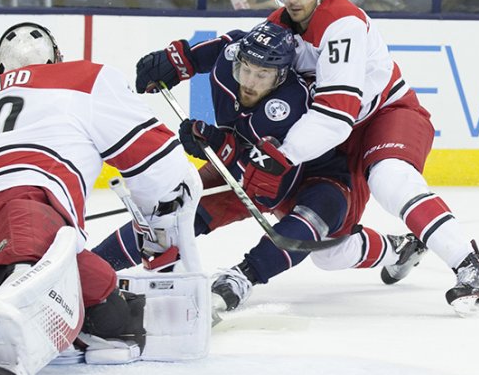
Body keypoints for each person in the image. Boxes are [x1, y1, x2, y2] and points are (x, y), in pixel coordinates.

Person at [0, 22, 201, 375]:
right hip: (27, 209)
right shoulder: (86, 77)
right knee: (38, 303)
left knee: (111, 309)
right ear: (57, 57)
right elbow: (156, 160)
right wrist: (163, 206)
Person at [245, 0, 479, 315]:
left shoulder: (342, 23)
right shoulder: (278, 24)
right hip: (338, 134)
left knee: (390, 178)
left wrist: (280, 156)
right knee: (329, 253)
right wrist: (187, 60)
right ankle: (399, 248)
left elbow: (334, 115)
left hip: (386, 114)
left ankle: (473, 269)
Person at [102, 21, 425, 313]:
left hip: (315, 177)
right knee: (175, 212)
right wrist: (178, 60)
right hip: (244, 162)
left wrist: (217, 144)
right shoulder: (233, 63)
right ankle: (95, 264)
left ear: (281, 75)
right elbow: (225, 45)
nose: (250, 82)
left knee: (315, 242)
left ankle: (244, 277)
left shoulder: (290, 106)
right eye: (246, 69)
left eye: (262, 75)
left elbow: (268, 193)